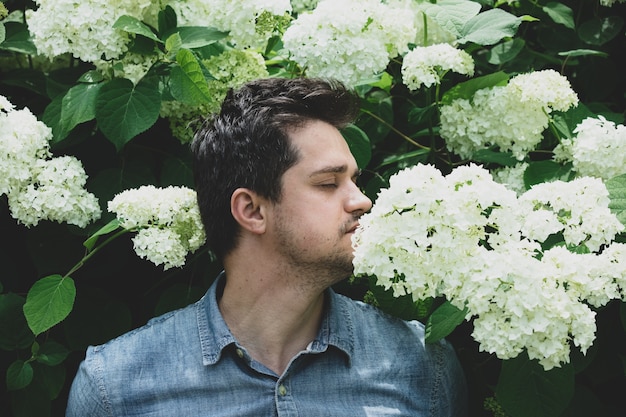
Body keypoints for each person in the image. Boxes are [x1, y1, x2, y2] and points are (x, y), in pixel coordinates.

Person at [66, 77, 467, 416]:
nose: (362, 201)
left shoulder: (422, 362)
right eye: (329, 183)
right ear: (252, 210)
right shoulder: (115, 387)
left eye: (354, 181)